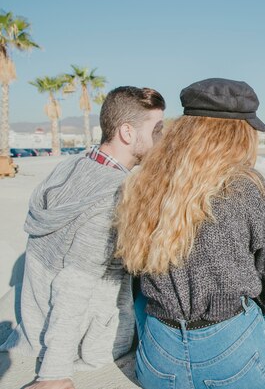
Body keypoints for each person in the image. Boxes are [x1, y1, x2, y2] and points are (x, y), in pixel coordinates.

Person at [114, 78, 265, 389]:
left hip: (157, 367)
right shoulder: (245, 185)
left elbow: (136, 275)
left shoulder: (145, 182)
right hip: (234, 367)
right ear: (236, 134)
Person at [0, 86, 166, 389]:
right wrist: (54, 373)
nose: (162, 138)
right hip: (89, 342)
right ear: (127, 133)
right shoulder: (114, 195)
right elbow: (75, 284)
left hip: (34, 321)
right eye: (157, 130)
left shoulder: (70, 168)